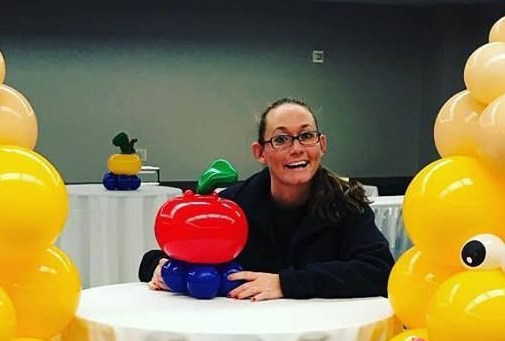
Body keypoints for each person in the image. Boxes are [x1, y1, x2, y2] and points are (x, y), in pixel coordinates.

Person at [138, 99, 394, 301]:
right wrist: (160, 266)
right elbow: (160, 258)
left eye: (306, 136)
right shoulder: (231, 206)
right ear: (260, 152)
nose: (297, 148)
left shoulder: (347, 203)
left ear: (322, 144)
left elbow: (379, 271)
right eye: (281, 139)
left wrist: (284, 283)